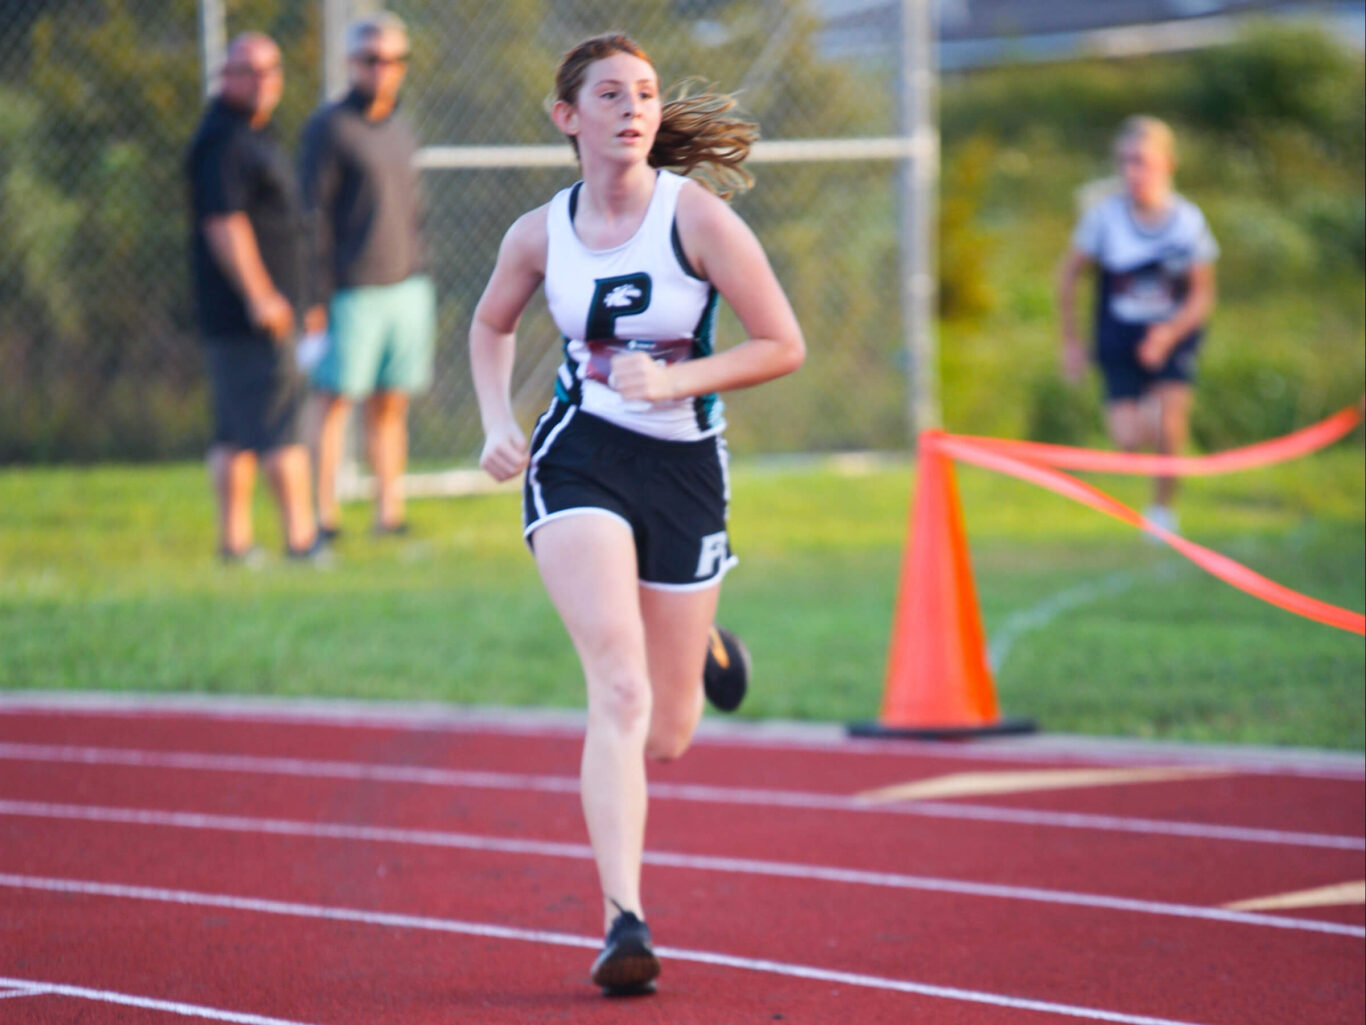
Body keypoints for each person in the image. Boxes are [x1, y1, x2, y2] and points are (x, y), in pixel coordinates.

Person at [469, 33, 803, 996]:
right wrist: (499, 424)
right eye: (610, 93)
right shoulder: (540, 231)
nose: (633, 108)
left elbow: (782, 341)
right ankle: (624, 919)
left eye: (646, 93)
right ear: (568, 117)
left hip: (687, 467)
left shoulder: (695, 218)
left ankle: (702, 645)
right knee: (616, 691)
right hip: (580, 458)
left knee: (669, 729)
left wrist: (679, 377)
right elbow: (492, 323)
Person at [186, 32, 320, 564]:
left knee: (236, 431)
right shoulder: (223, 139)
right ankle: (302, 542)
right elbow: (224, 222)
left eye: (270, 70)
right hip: (248, 314)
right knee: (277, 426)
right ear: (227, 76)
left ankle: (235, 545)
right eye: (249, 70)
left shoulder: (252, 132)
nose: (262, 81)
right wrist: (261, 296)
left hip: (260, 309)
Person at [300, 11, 435, 539]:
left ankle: (389, 512)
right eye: (372, 59)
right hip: (350, 291)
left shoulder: (401, 126)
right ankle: (323, 516)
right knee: (334, 402)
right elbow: (310, 217)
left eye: (393, 59)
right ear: (351, 63)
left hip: (406, 285)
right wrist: (315, 296)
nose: (383, 69)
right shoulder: (329, 128)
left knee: (391, 403)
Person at [1057, 115, 1218, 534]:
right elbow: (1068, 275)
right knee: (1129, 441)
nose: (1132, 172)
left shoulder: (1187, 222)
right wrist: (1071, 342)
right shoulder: (1103, 220)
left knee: (1170, 424)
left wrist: (1169, 334)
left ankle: (1163, 513)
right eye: (1125, 162)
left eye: (1142, 161)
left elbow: (1202, 294)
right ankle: (1145, 415)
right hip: (1119, 339)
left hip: (1171, 338)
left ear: (1168, 164)